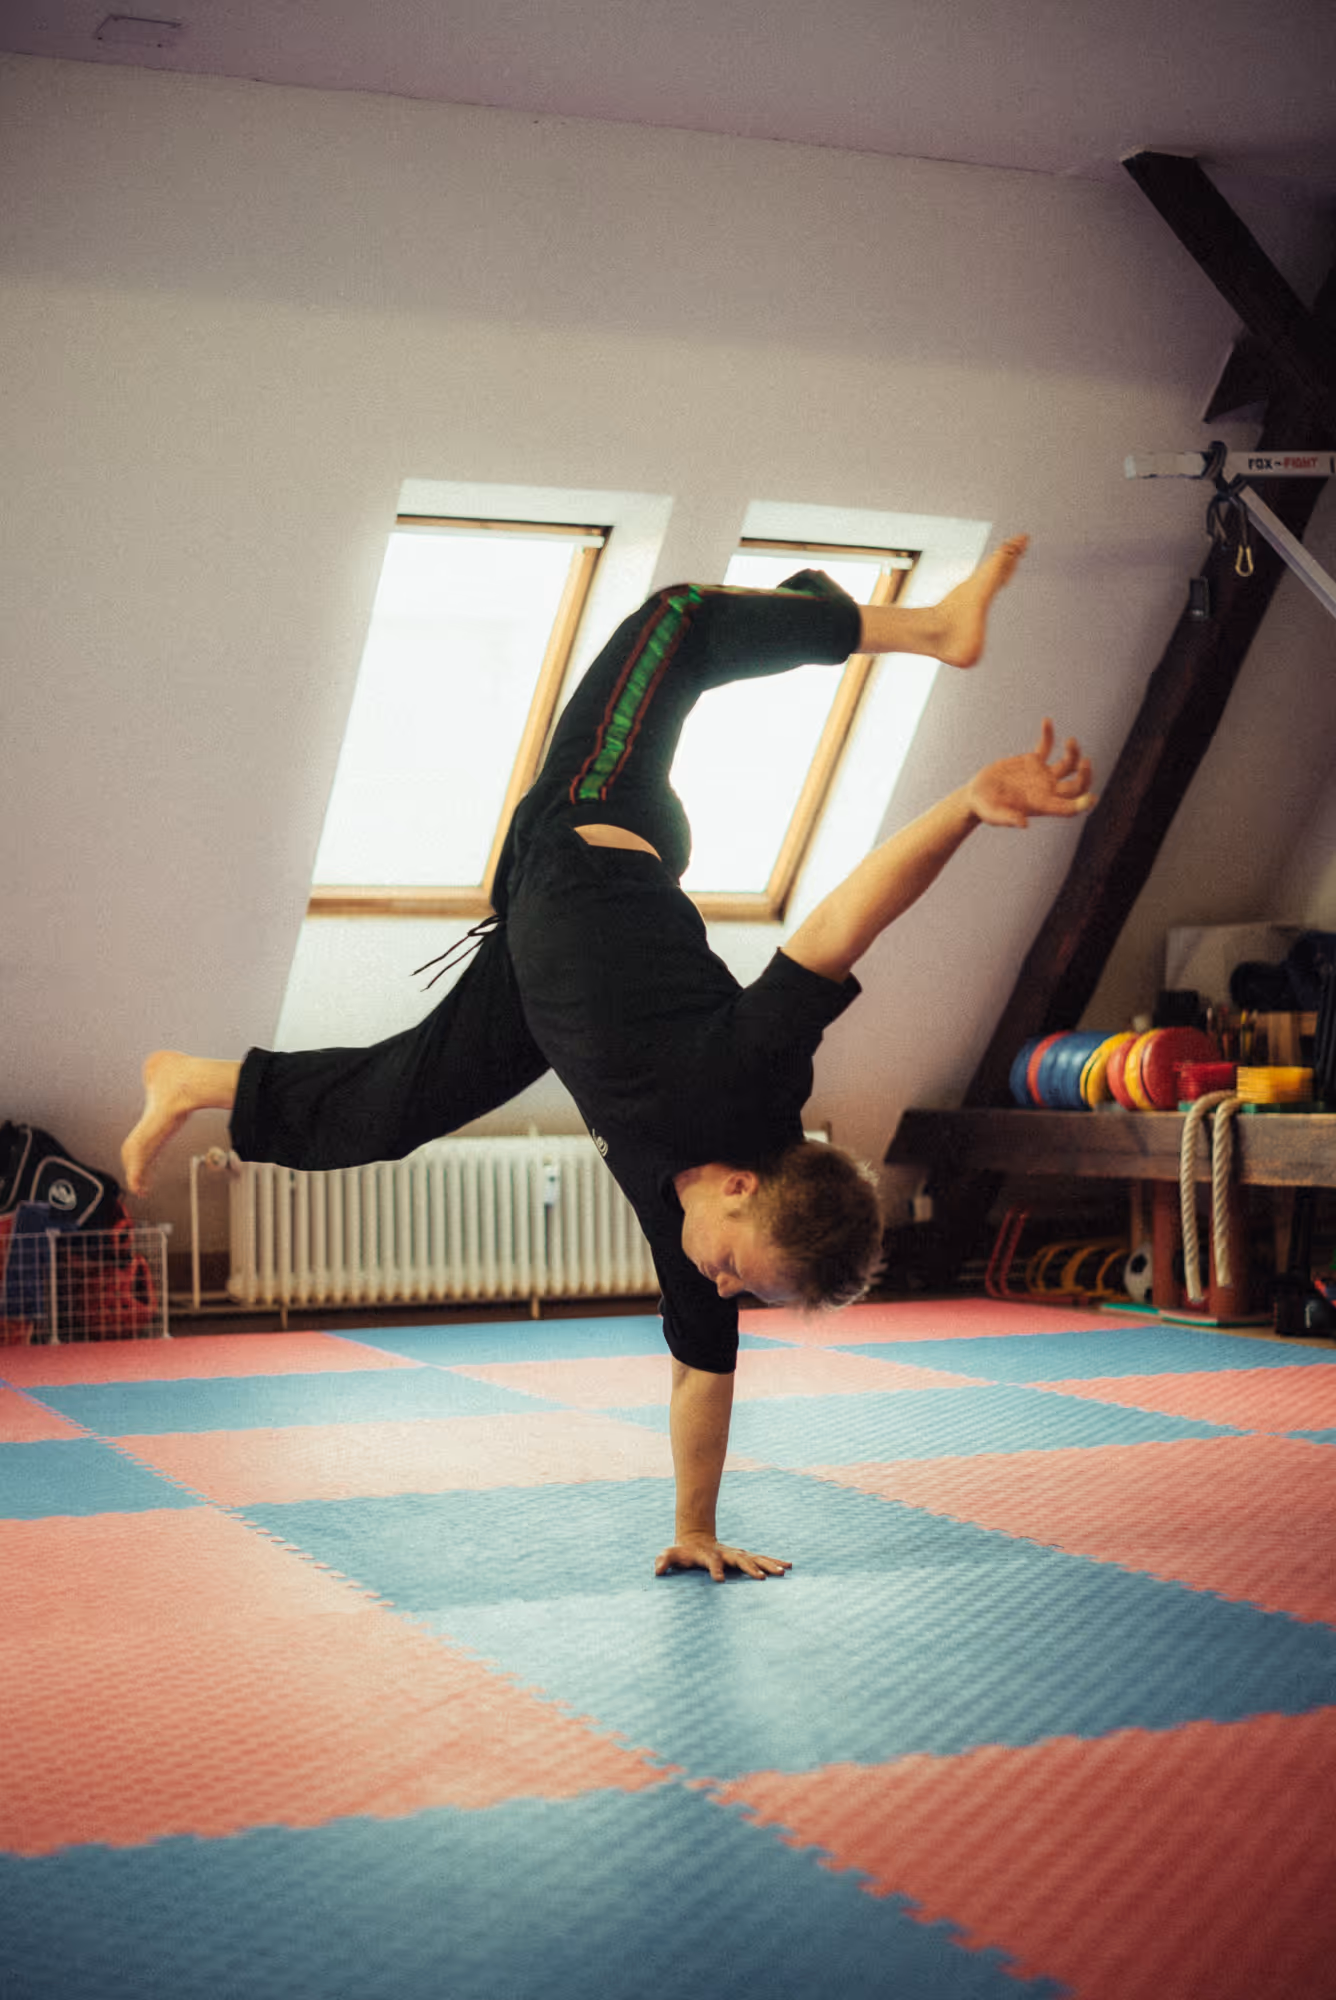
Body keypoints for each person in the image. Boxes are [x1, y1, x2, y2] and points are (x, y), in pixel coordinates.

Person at [123, 534, 1095, 1581]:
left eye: (732, 1284)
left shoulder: (704, 1232)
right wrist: (961, 807)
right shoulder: (750, 1075)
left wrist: (695, 1526)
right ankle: (921, 626)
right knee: (672, 622)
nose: (714, 1282)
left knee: (393, 1106)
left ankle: (197, 1079)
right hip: (597, 816)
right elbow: (837, 927)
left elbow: (703, 1377)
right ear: (739, 1179)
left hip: (538, 965)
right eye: (731, 1265)